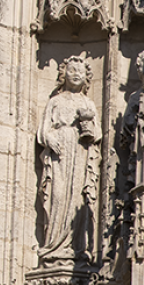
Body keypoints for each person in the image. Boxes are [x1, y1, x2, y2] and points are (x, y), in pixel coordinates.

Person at [38, 56, 100, 264]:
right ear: (63, 74)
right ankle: (53, 242)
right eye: (72, 70)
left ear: (86, 78)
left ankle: (77, 246)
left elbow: (98, 134)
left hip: (80, 152)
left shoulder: (88, 103)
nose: (76, 74)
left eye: (80, 72)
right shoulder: (55, 101)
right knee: (58, 195)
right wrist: (50, 137)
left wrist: (88, 128)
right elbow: (44, 130)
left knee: (78, 198)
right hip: (60, 153)